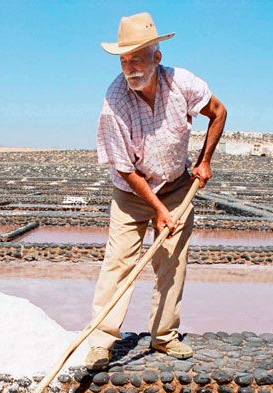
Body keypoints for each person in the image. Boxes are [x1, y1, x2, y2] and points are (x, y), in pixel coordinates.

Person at [86, 12, 227, 370]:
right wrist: (157, 209)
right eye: (124, 59)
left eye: (136, 57)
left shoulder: (183, 84)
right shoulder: (113, 103)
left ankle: (164, 336)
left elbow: (219, 112)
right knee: (118, 264)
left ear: (156, 57)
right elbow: (125, 169)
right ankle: (101, 341)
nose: (129, 67)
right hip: (132, 193)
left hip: (178, 185)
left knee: (171, 261)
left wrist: (204, 161)